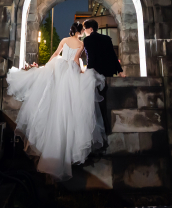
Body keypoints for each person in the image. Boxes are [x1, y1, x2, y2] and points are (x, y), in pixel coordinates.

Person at [6, 22, 106, 181]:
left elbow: (55, 54)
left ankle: (49, 154)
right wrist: (81, 70)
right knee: (68, 109)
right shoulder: (81, 43)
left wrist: (46, 67)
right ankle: (65, 155)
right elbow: (75, 60)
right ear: (80, 31)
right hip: (70, 73)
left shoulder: (64, 40)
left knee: (53, 105)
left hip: (59, 70)